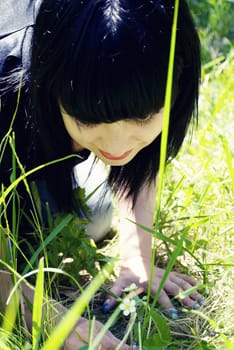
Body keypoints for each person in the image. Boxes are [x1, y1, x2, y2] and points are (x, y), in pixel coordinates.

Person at [0, 0, 203, 348]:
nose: (118, 146)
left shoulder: (158, 61)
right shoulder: (7, 88)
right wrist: (54, 320)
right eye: (90, 118)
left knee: (93, 217)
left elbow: (138, 167)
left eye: (141, 117)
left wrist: (137, 255)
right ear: (51, 85)